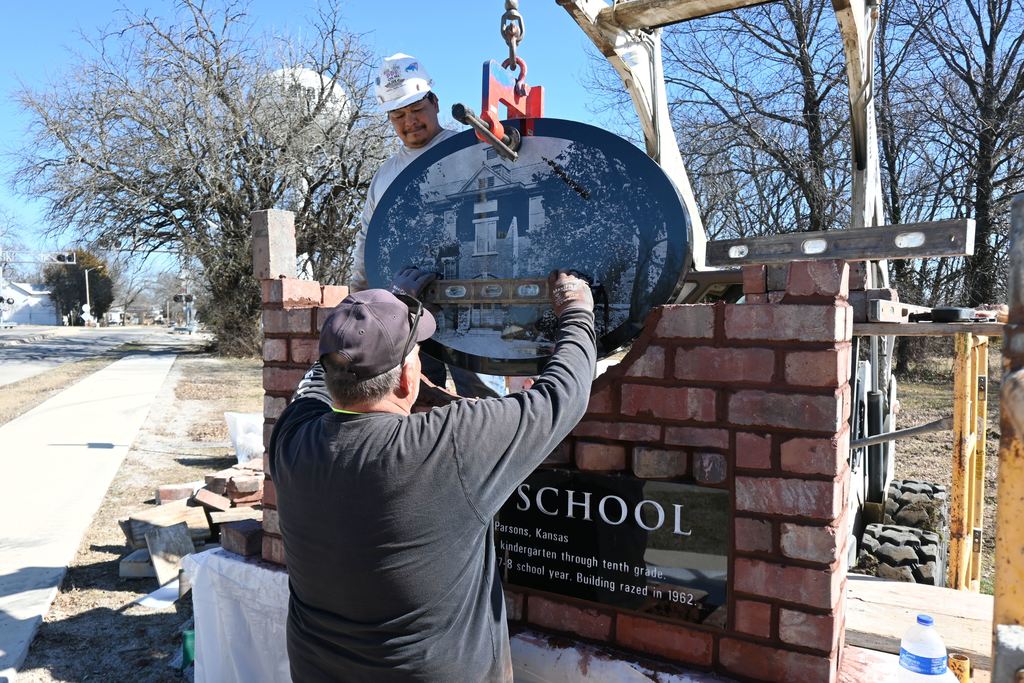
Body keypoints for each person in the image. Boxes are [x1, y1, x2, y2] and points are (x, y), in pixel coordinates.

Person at [268, 268, 596, 682]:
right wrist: (578, 309)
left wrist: (386, 309)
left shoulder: (292, 440)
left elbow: (316, 382)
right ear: (408, 379)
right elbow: (563, 395)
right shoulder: (446, 445)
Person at [353, 52, 503, 398]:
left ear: (435, 102)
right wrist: (357, 293)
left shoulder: (469, 150)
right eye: (398, 115)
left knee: (481, 395)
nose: (410, 122)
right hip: (411, 305)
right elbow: (368, 236)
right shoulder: (385, 175)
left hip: (472, 303)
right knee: (418, 394)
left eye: (417, 109)